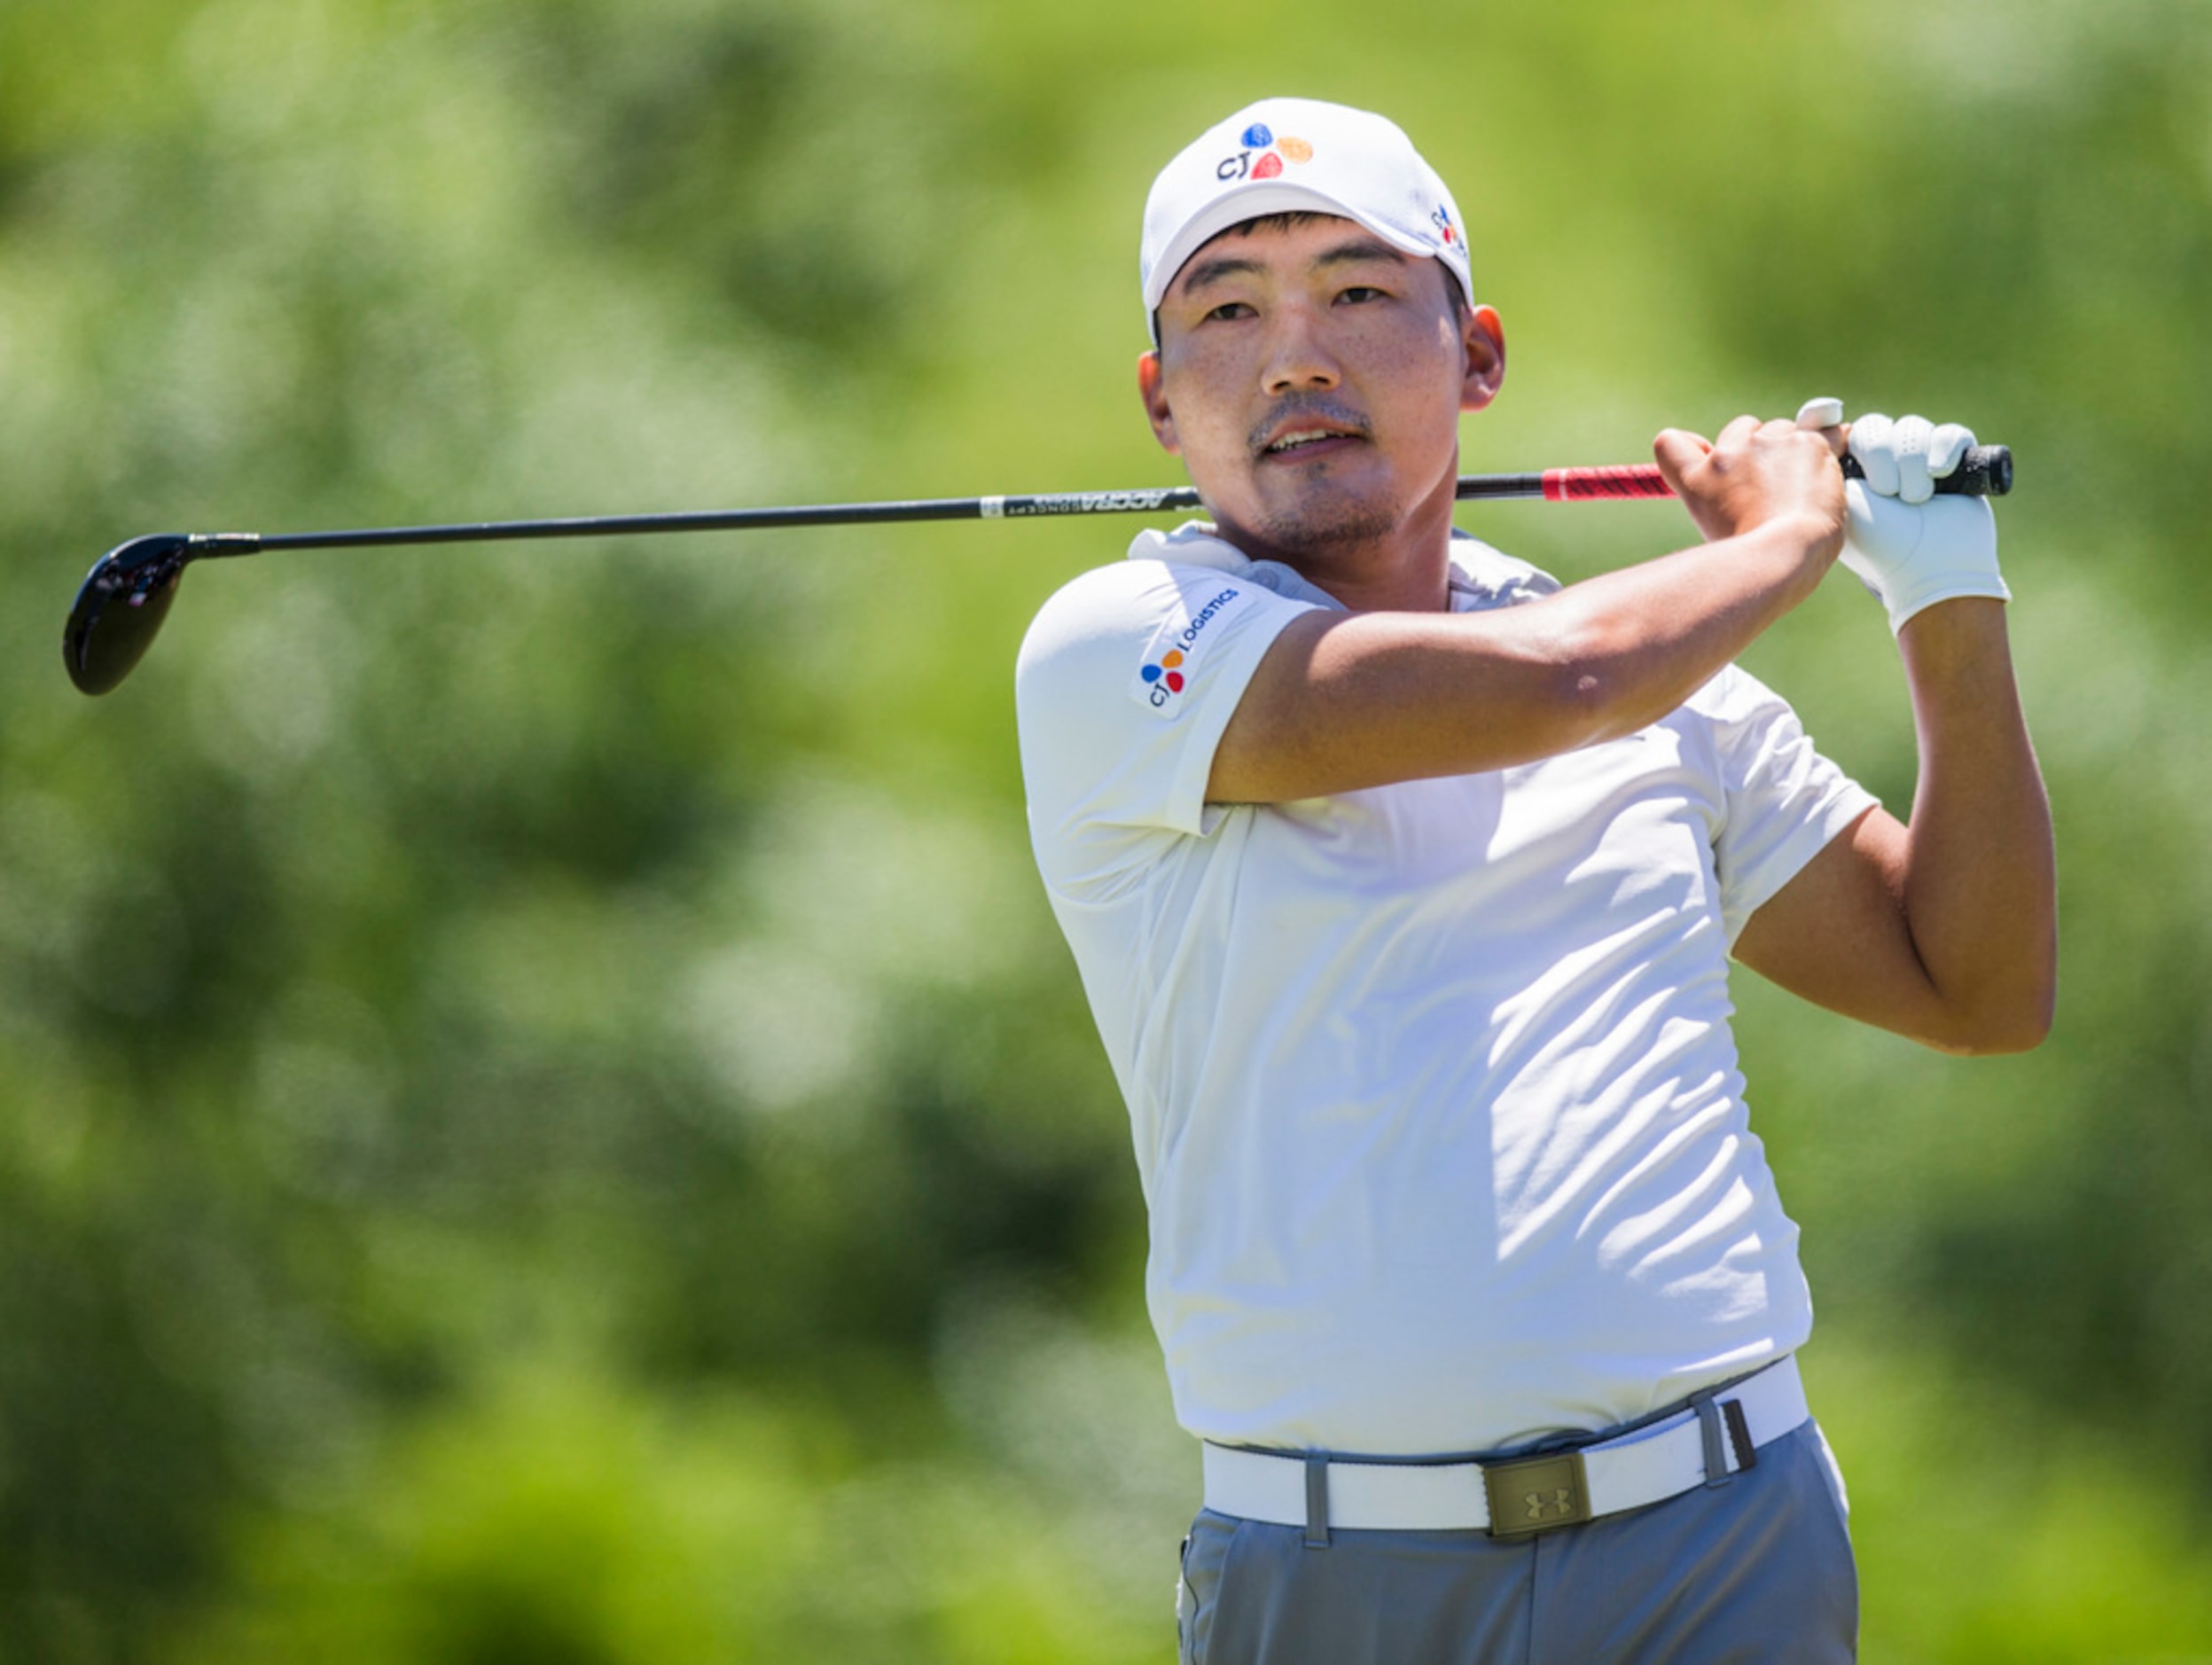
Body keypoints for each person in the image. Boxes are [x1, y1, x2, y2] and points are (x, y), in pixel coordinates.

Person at [1012, 97, 2054, 1663]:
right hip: (1331, 1573)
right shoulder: (1119, 650)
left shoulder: (1670, 689)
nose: (1296, 355)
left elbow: (1974, 985)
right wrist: (1784, 540)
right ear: (1164, 403)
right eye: (1229, 311)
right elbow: (1562, 681)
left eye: (1359, 291)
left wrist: (1945, 595)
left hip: (1722, 1541)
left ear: (1477, 355)